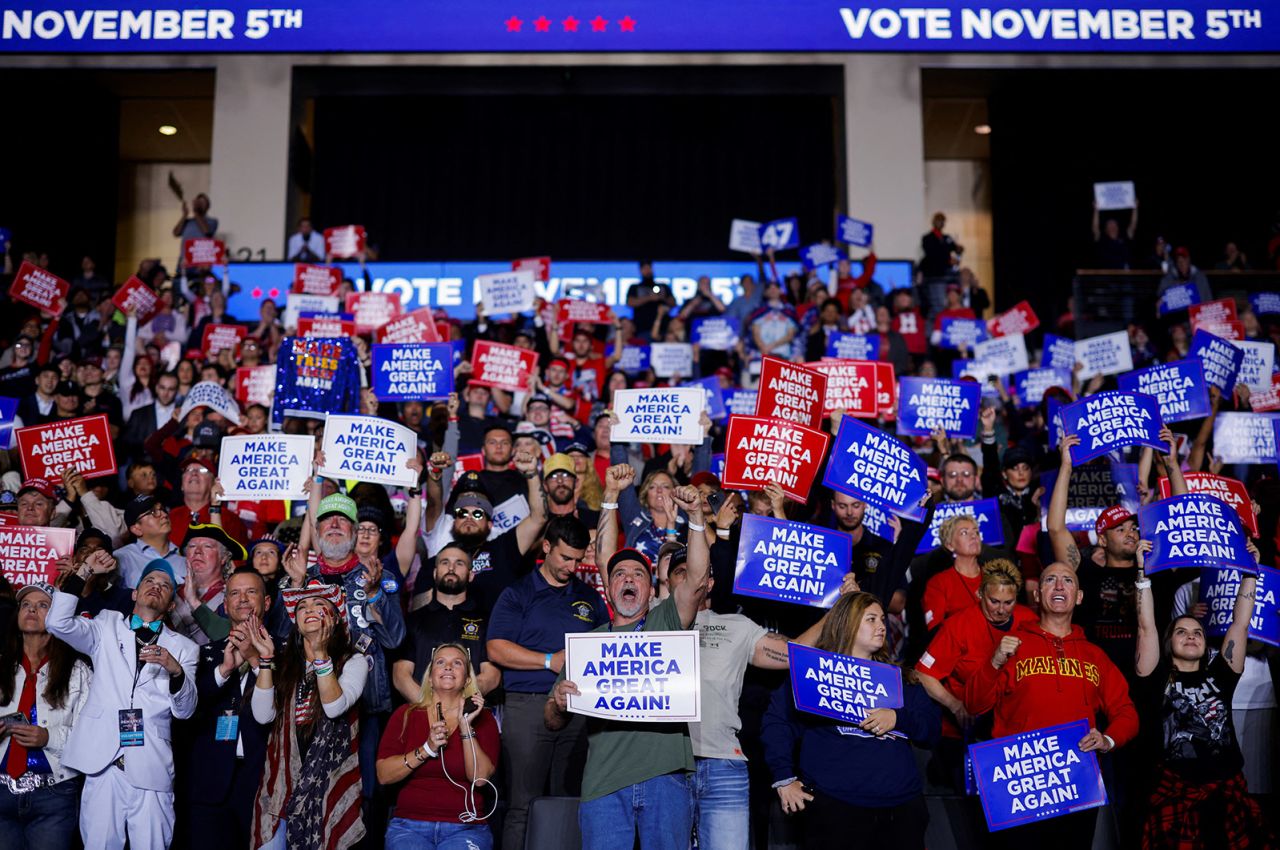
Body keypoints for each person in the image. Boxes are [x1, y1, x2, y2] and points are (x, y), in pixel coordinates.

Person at [545, 484, 712, 850]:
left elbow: (697, 579)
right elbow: (552, 720)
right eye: (620, 574)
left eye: (638, 574)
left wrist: (696, 519)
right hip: (604, 785)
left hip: (665, 781)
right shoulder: (589, 647)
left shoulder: (666, 621)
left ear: (651, 591)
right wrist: (557, 701)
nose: (629, 579)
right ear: (609, 588)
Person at [964, 561, 1139, 849]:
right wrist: (995, 661)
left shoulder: (1094, 655)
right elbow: (972, 704)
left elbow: (1127, 712)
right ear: (1036, 594)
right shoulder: (1012, 645)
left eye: (1068, 581)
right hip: (1020, 784)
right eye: (1050, 580)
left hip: (1076, 783)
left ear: (1079, 596)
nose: (1059, 586)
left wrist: (1108, 739)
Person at [761, 592, 942, 850]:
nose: (881, 625)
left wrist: (898, 717)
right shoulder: (813, 673)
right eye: (871, 619)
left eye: (882, 619)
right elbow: (778, 722)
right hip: (836, 808)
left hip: (901, 809)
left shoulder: (901, 678)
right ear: (847, 622)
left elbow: (932, 731)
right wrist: (784, 778)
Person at [46, 558, 199, 850]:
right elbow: (57, 623)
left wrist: (175, 670)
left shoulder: (184, 648)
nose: (156, 587)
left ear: (170, 605)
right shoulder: (106, 625)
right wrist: (84, 572)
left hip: (151, 768)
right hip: (103, 765)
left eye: (165, 586)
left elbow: (185, 710)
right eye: (149, 582)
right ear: (134, 593)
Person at [1134, 540, 1275, 849]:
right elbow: (1146, 628)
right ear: (1169, 642)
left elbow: (1240, 623)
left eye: (1197, 632)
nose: (1191, 636)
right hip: (1177, 793)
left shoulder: (1221, 674)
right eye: (1181, 632)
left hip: (1227, 792)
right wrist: (1142, 572)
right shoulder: (1156, 679)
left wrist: (1250, 573)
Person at [486, 516, 608, 850]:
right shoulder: (518, 592)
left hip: (579, 707)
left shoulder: (588, 598)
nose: (572, 566)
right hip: (527, 704)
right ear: (546, 547)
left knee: (572, 801)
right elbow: (495, 647)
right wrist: (547, 660)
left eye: (578, 560)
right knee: (524, 804)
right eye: (565, 557)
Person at [251, 579, 369, 850]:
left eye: (320, 604)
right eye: (302, 606)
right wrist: (266, 660)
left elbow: (334, 707)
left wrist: (320, 653)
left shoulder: (353, 661)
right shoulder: (282, 662)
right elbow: (262, 715)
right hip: (281, 789)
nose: (310, 609)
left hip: (326, 789)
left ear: (336, 618)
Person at [915, 560, 1037, 790]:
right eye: (994, 601)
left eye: (1008, 602)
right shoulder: (957, 625)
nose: (1001, 610)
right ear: (980, 593)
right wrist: (955, 705)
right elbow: (922, 674)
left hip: (1012, 729)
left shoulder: (1028, 620)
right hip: (965, 729)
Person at [180, 568, 275, 850]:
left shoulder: (285, 651)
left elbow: (286, 711)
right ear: (225, 603)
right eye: (234, 593)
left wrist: (258, 661)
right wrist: (223, 671)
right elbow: (188, 712)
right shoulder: (207, 654)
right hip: (210, 784)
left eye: (251, 592)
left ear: (267, 603)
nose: (242, 599)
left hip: (264, 783)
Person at [375, 643, 499, 850]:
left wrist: (465, 726)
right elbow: (384, 775)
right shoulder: (406, 715)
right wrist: (426, 749)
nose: (448, 667)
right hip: (409, 826)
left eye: (457, 663)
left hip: (465, 827)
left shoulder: (483, 718)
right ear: (430, 678)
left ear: (467, 679)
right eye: (440, 662)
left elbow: (479, 779)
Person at [0, 582, 92, 849]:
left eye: (43, 606)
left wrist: (48, 736)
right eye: (26, 605)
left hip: (54, 793)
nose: (31, 610)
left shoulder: (78, 671)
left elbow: (91, 737)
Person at [392, 544, 501, 703]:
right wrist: (430, 709)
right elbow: (400, 675)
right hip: (423, 715)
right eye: (445, 562)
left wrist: (461, 704)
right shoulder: (413, 620)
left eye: (459, 563)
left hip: (471, 715)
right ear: (435, 573)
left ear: (471, 575)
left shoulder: (487, 621)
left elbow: (492, 675)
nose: (451, 568)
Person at [921, 514, 984, 633]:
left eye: (976, 532)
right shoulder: (938, 583)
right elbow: (936, 631)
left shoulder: (994, 576)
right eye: (964, 533)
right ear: (950, 545)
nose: (973, 536)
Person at [1092, 198, 1138, 269]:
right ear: (1106, 229)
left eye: (1114, 224)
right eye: (1109, 225)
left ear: (1118, 227)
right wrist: (1096, 210)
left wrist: (1135, 208)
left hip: (1124, 274)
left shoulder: (1125, 237)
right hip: (1106, 275)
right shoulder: (1101, 239)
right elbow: (1095, 227)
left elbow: (1133, 224)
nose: (1112, 226)